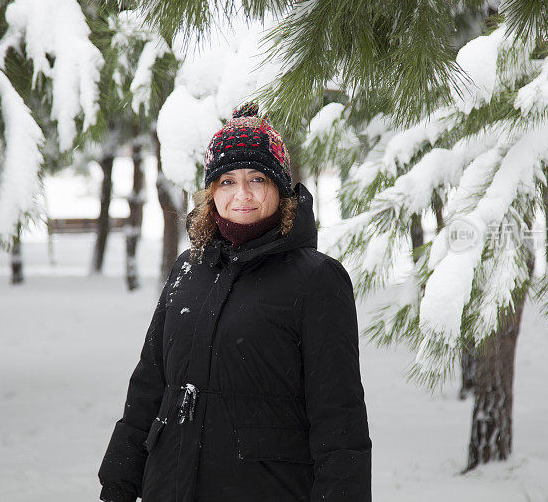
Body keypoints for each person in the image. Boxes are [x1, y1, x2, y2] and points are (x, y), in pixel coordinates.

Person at [98, 102, 372, 502]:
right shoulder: (188, 270)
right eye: (227, 180)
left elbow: (339, 420)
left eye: (257, 178)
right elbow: (149, 386)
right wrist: (117, 484)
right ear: (212, 191)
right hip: (169, 485)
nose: (241, 194)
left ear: (280, 188)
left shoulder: (316, 280)